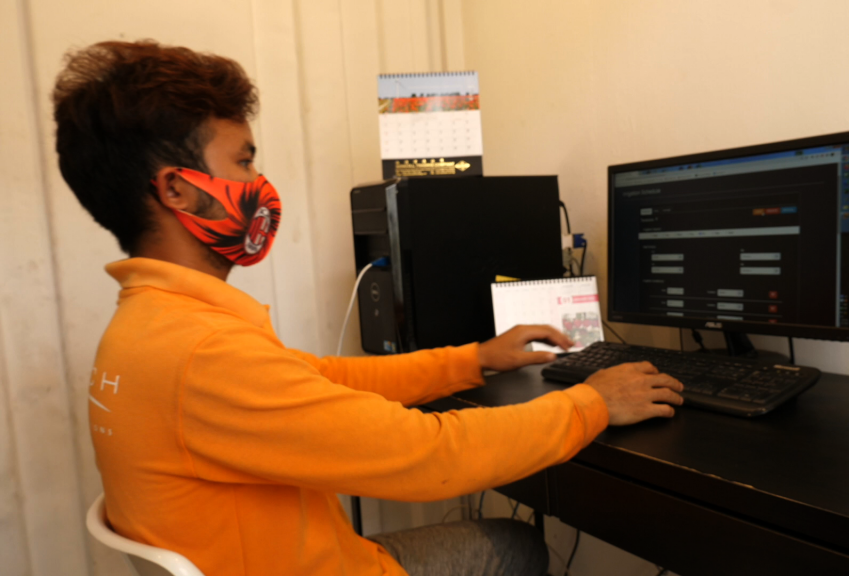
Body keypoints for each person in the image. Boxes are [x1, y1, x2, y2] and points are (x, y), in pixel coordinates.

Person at [54, 40, 684, 576]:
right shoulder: (201, 351)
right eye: (243, 161)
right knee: (514, 545)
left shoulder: (151, 327)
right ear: (177, 190)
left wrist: (474, 358)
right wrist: (593, 403)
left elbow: (321, 379)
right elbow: (429, 458)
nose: (259, 183)